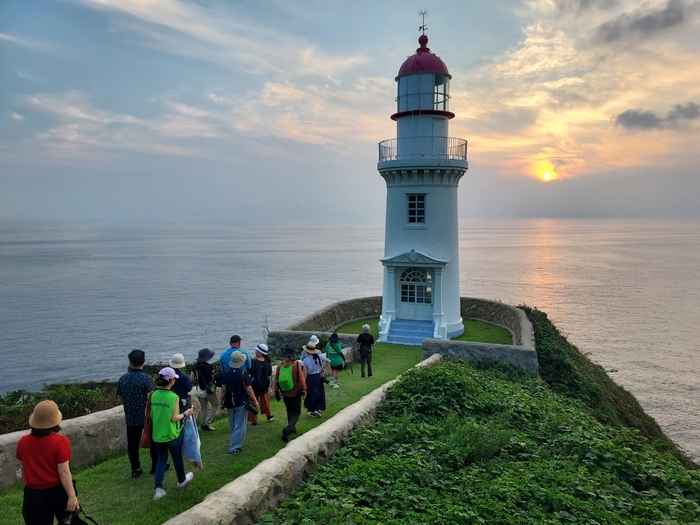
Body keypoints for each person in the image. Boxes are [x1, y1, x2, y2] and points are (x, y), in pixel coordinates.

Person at [15, 400, 80, 525]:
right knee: (70, 521)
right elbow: (63, 471)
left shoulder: (23, 441)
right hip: (56, 491)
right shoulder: (61, 441)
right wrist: (72, 496)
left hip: (32, 494)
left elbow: (24, 463)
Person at [150, 367, 195, 500]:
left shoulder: (153, 395)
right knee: (176, 457)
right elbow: (174, 417)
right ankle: (181, 480)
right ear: (171, 380)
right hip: (171, 433)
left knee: (161, 459)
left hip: (157, 434)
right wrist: (186, 413)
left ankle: (158, 488)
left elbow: (152, 415)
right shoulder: (173, 397)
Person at [117, 349, 159, 478]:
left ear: (130, 362)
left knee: (133, 444)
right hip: (146, 416)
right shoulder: (146, 378)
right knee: (153, 441)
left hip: (130, 416)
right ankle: (155, 465)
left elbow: (120, 395)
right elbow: (152, 396)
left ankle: (136, 468)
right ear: (143, 362)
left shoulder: (123, 379)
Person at [219, 352, 258, 454]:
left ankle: (236, 443)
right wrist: (255, 400)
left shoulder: (226, 373)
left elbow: (223, 389)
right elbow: (249, 389)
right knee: (240, 425)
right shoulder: (243, 373)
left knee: (233, 425)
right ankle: (234, 447)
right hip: (242, 402)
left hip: (229, 402)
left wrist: (221, 402)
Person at [274, 344, 307, 442]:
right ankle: (288, 429)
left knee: (289, 410)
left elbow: (276, 380)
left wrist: (276, 391)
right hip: (295, 392)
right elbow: (301, 379)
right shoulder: (296, 364)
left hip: (284, 392)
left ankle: (292, 428)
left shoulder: (280, 364)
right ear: (292, 354)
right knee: (296, 412)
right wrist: (305, 390)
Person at [190, 348, 219, 431]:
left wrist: (198, 382)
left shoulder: (195, 367)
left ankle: (203, 423)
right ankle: (207, 422)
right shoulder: (210, 367)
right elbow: (214, 378)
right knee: (215, 404)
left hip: (200, 389)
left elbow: (191, 379)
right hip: (209, 390)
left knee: (203, 407)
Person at [301, 343, 329, 417]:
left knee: (311, 394)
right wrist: (322, 368)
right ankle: (317, 408)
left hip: (310, 378)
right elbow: (328, 361)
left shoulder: (305, 360)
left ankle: (312, 410)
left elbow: (305, 372)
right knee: (318, 393)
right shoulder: (319, 357)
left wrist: (303, 380)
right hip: (318, 377)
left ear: (307, 352)